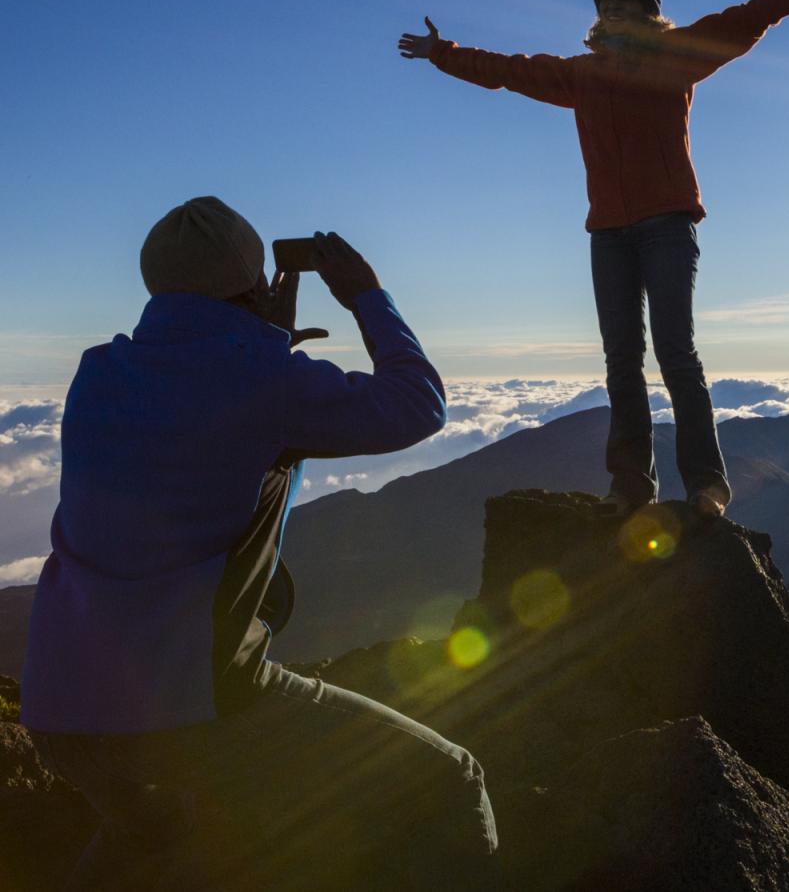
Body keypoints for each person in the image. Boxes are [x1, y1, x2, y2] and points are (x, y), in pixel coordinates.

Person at [20, 197, 498, 890]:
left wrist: (256, 340)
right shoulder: (265, 380)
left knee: (147, 839)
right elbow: (418, 403)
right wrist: (367, 296)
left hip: (57, 709)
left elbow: (194, 422)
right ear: (253, 282)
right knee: (452, 781)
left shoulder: (97, 373)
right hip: (188, 704)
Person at [398, 0, 789, 518]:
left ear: (649, 12)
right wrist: (443, 52)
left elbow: (748, 18)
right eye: (605, 3)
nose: (612, 9)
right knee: (621, 361)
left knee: (676, 355)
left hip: (667, 226)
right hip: (608, 235)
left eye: (624, 0)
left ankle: (706, 486)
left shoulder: (679, 56)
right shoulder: (582, 74)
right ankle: (630, 486)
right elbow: (507, 71)